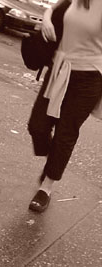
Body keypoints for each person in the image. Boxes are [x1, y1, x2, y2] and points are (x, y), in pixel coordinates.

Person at [28, 0, 102, 212]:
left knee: (65, 134)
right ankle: (54, 160)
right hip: (59, 69)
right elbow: (52, 8)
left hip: (89, 78)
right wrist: (47, 20)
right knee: (37, 126)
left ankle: (46, 187)